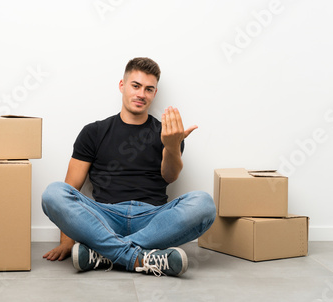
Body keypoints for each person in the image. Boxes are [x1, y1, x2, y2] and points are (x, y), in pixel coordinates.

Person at [41, 57, 215, 277]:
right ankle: (140, 257)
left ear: (155, 93)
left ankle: (104, 253)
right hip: (104, 217)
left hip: (153, 219)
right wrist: (67, 242)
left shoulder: (168, 133)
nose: (141, 94)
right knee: (53, 193)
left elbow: (170, 176)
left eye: (149, 89)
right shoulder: (93, 132)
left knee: (204, 204)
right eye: (136, 86)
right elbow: (70, 188)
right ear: (122, 86)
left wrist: (171, 146)